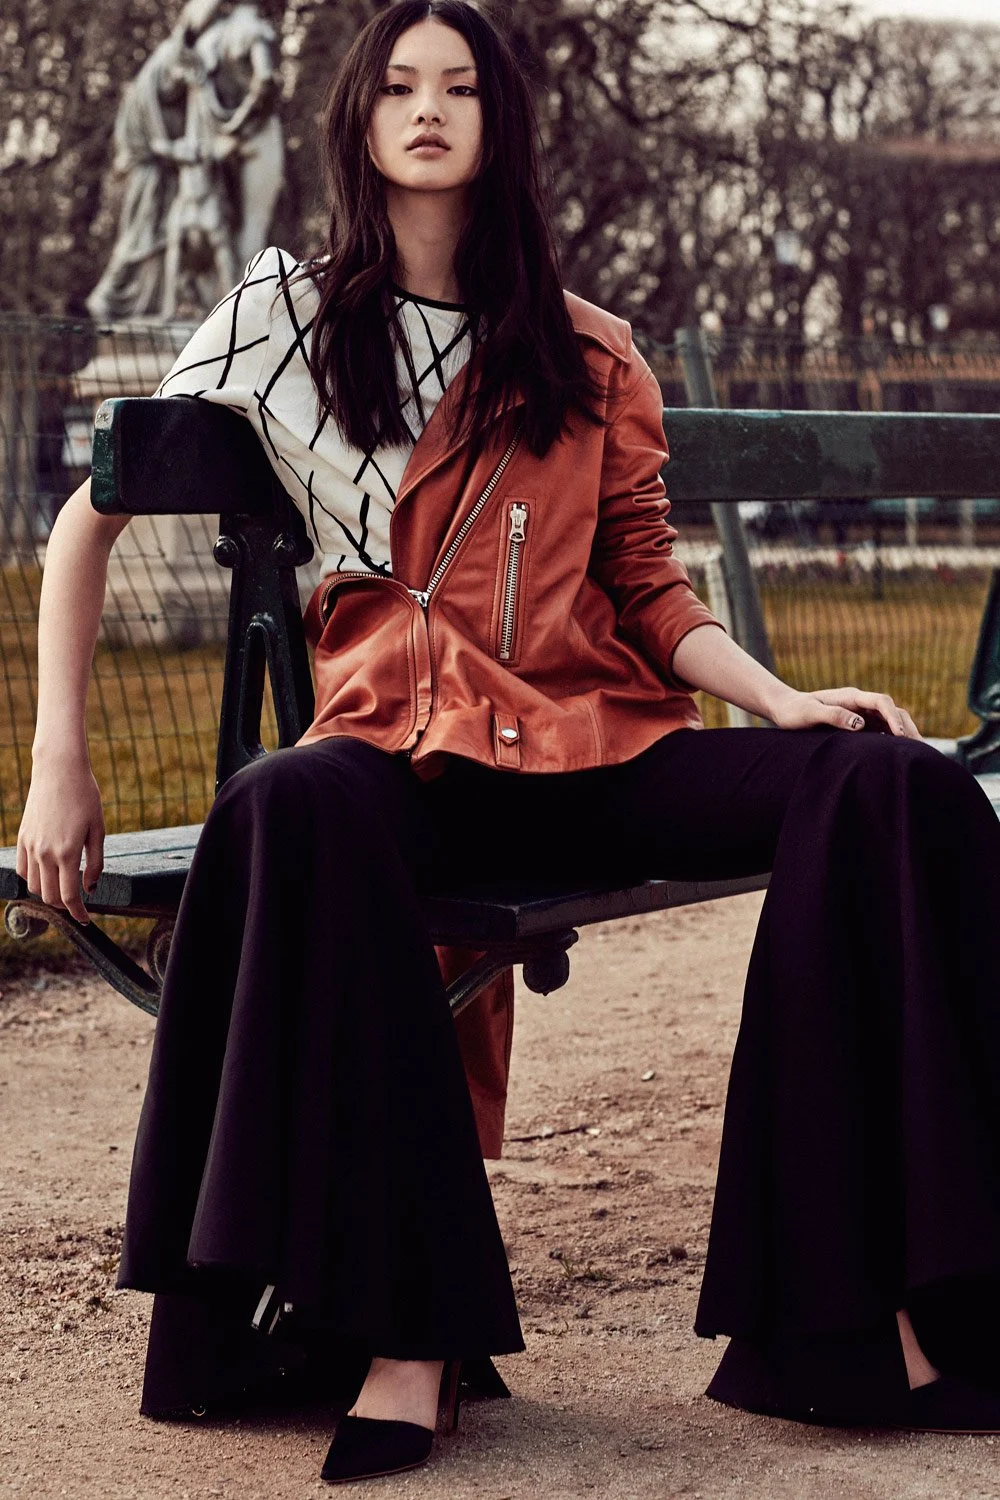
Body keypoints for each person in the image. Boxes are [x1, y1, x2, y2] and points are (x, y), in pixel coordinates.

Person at [19, 0, 1000, 1485]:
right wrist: (57, 760)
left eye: (461, 86)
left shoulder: (586, 348)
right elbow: (85, 520)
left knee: (893, 784)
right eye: (399, 85)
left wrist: (781, 701)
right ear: (357, 122)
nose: (428, 108)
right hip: (403, 766)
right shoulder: (278, 316)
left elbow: (650, 591)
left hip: (594, 752)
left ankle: (879, 1324)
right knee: (286, 800)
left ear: (502, 124)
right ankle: (406, 1337)